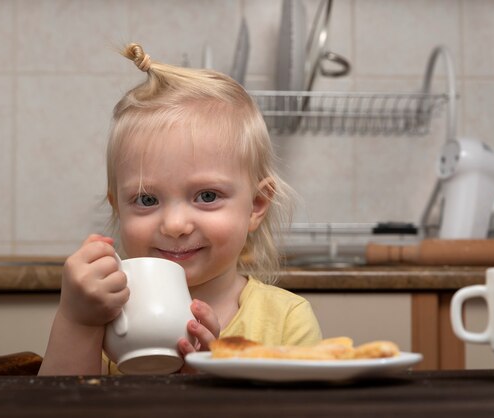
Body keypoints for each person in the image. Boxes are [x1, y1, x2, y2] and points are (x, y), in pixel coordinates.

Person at [38, 43, 322, 375]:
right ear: (118, 208)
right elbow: (60, 406)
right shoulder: (105, 310)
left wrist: (208, 388)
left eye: (206, 196)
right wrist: (78, 321)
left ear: (256, 206)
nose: (174, 225)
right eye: (147, 200)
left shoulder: (285, 321)